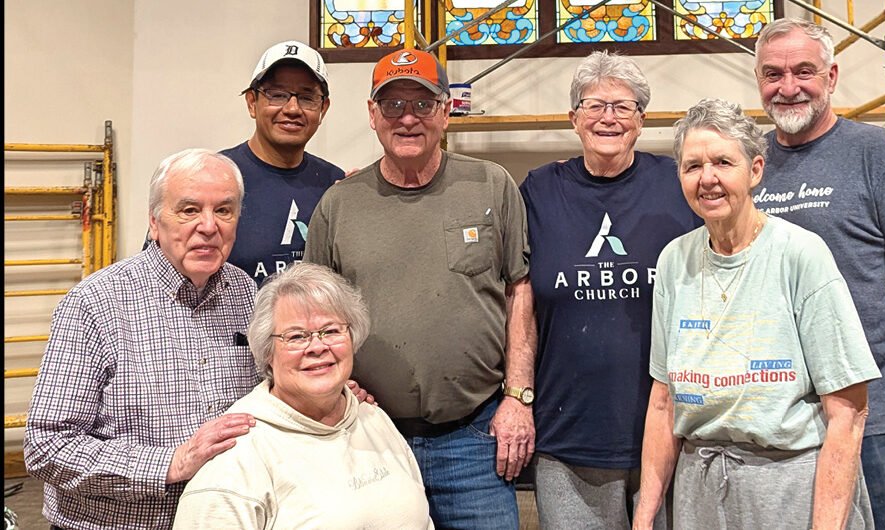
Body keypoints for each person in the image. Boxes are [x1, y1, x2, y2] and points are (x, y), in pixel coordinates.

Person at [304, 48, 534, 529]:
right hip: (368, 438)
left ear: (445, 111)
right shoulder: (340, 205)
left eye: (422, 104)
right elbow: (314, 317)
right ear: (372, 115)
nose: (407, 118)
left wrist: (518, 397)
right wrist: (337, 383)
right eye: (392, 105)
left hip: (474, 438)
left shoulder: (491, 185)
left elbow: (519, 291)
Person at [633, 98, 881, 529]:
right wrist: (644, 518)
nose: (707, 179)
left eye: (723, 162)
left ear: (755, 170)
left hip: (790, 485)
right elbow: (663, 403)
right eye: (692, 166)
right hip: (701, 488)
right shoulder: (674, 260)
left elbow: (848, 411)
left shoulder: (800, 254)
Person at [751, 18, 885, 529]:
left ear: (832, 76)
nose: (788, 87)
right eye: (773, 73)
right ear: (758, 79)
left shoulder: (877, 153)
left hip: (873, 415)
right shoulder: (749, 162)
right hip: (774, 413)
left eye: (804, 71)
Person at [24, 149, 259, 529]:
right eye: (188, 210)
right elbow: (48, 446)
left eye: (224, 210)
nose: (208, 226)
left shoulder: (245, 293)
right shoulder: (94, 304)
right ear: (154, 222)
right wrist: (171, 463)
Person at [519, 50, 701, 529]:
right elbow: (515, 298)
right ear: (573, 117)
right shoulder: (538, 191)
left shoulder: (676, 184)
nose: (608, 118)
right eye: (594, 104)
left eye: (623, 106)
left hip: (669, 430)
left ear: (641, 120)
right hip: (568, 431)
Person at [172, 262, 433, 529]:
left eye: (331, 331)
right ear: (267, 351)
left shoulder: (373, 418)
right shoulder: (237, 454)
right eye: (296, 336)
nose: (317, 347)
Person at [224, 40, 345, 284]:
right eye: (277, 95)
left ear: (324, 108)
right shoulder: (215, 177)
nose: (292, 109)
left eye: (307, 97)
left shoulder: (335, 185)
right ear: (251, 103)